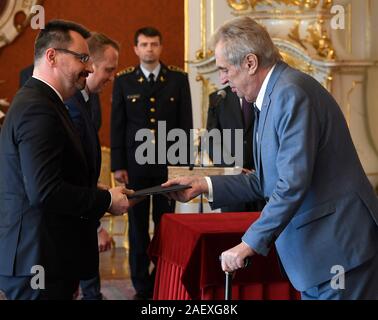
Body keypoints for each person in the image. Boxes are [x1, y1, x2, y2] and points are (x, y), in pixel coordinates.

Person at [163, 16, 378, 300]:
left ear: (250, 63)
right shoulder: (272, 96)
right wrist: (203, 184)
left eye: (225, 69)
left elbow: (291, 184)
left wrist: (248, 243)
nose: (222, 80)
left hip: (339, 250)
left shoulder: (290, 94)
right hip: (320, 255)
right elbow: (267, 180)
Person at [0, 19, 131, 300]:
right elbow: (45, 192)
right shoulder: (38, 108)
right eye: (83, 58)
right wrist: (105, 201)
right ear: (52, 56)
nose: (89, 67)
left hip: (48, 255)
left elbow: (56, 177)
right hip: (37, 258)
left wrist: (101, 194)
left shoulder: (47, 103)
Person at [111, 26, 193, 299]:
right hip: (135, 166)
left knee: (166, 224)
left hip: (167, 166)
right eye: (144, 44)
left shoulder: (178, 79)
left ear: (160, 46)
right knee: (136, 228)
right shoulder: (124, 81)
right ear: (135, 49)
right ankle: (141, 284)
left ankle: (162, 279)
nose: (149, 49)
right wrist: (118, 164)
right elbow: (118, 125)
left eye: (154, 44)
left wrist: (183, 165)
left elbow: (185, 124)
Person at [65, 32, 120, 300]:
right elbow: (68, 174)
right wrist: (97, 223)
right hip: (71, 218)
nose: (112, 77)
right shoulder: (71, 104)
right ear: (91, 65)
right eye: (109, 70)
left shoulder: (89, 98)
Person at [207, 86, 265, 212]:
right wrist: (231, 167)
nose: (223, 77)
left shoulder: (264, 93)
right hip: (232, 183)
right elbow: (211, 141)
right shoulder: (219, 98)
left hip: (263, 181)